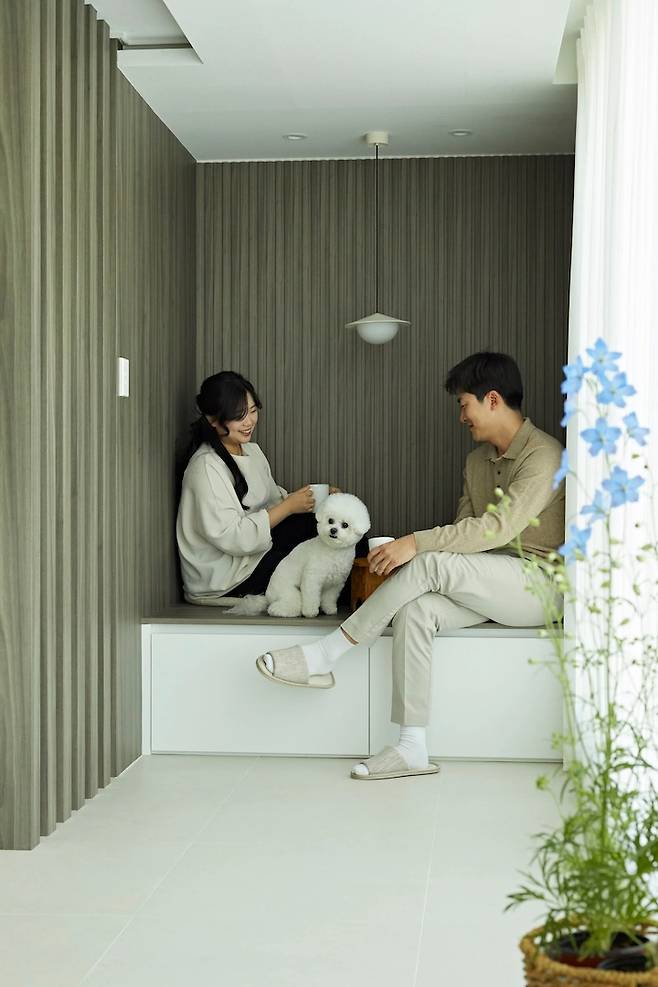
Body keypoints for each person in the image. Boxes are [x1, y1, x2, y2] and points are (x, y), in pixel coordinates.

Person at [257, 352, 566, 781]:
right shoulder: (476, 462)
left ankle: (326, 654)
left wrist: (414, 544)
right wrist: (420, 562)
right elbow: (463, 530)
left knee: (429, 560)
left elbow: (497, 529)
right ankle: (411, 746)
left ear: (492, 400)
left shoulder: (544, 455)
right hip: (488, 579)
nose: (461, 417)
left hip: (539, 586)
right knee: (416, 609)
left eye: (464, 404)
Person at [177, 371, 324, 603]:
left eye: (253, 411)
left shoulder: (252, 451)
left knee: (324, 524)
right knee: (313, 564)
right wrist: (288, 506)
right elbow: (234, 537)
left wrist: (314, 499)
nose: (249, 422)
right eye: (239, 416)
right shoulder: (205, 467)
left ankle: (375, 573)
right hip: (228, 576)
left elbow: (274, 502)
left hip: (255, 550)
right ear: (213, 419)